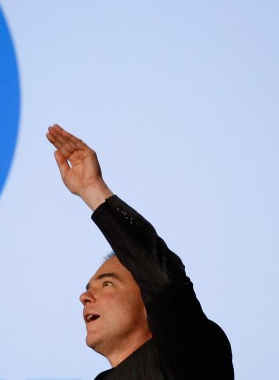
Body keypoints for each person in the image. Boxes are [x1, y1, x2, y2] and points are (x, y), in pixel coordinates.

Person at [45, 124, 233, 379]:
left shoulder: (194, 353)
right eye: (90, 288)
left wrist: (92, 190)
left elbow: (163, 282)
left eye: (108, 284)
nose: (85, 297)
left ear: (149, 304)